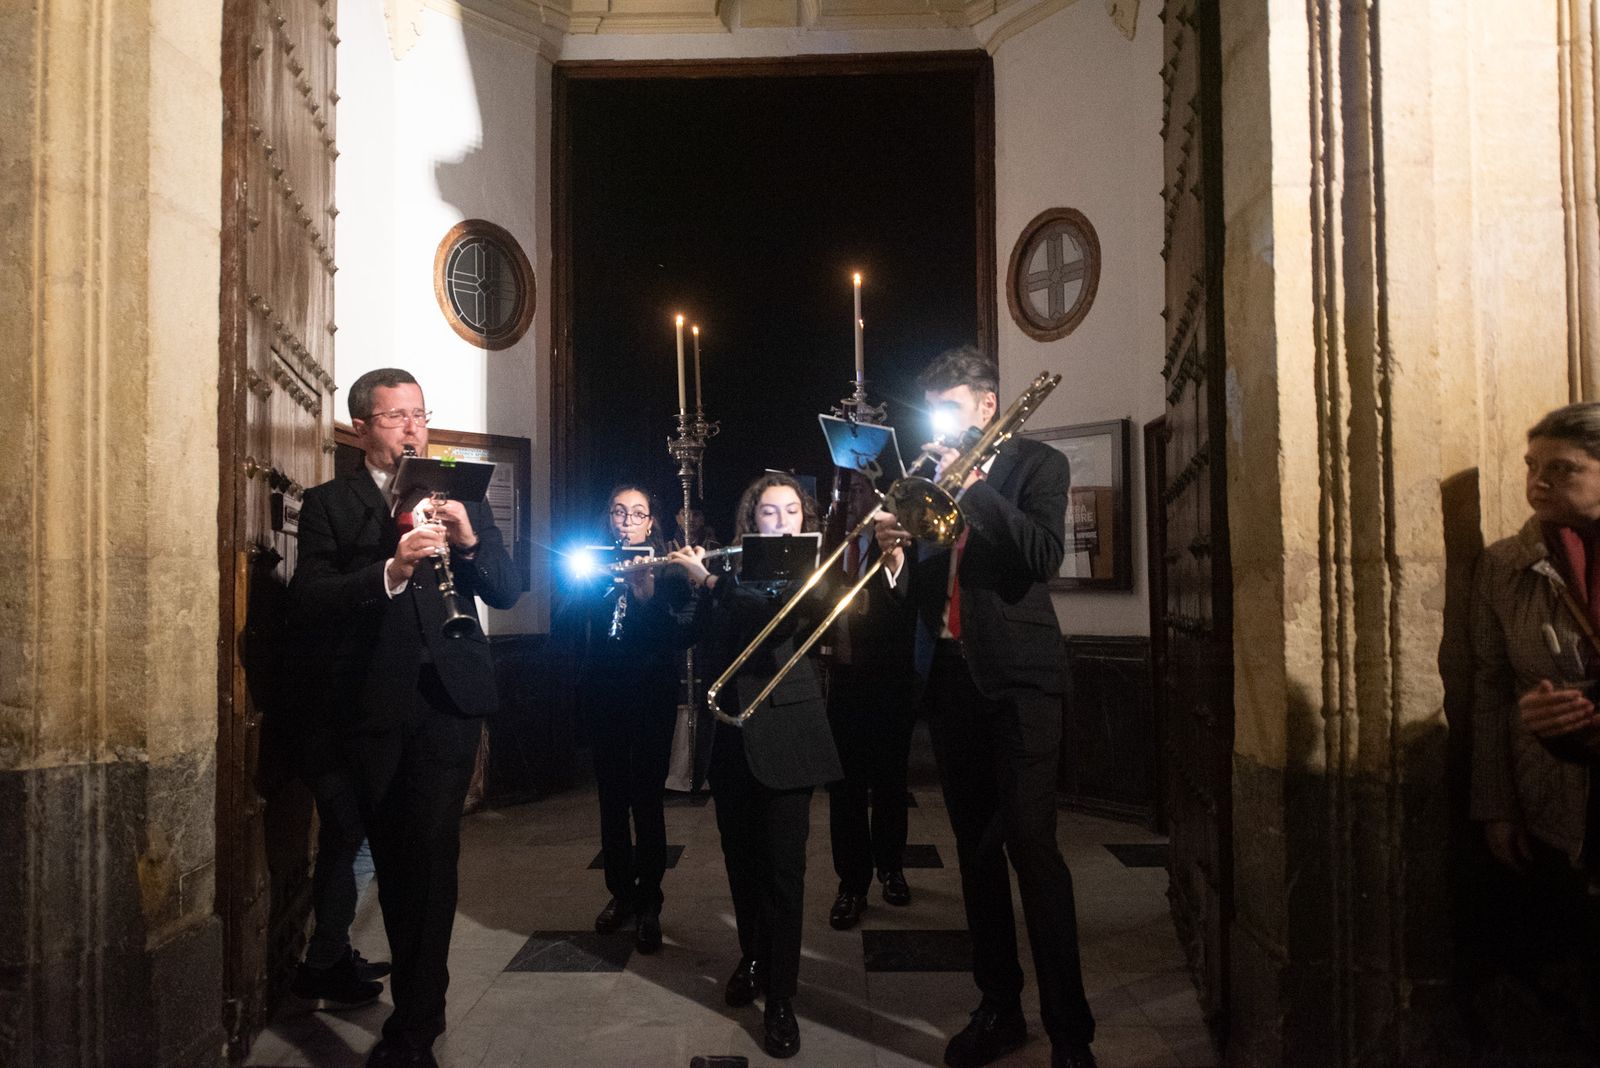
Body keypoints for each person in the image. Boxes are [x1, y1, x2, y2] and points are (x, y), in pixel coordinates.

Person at [292, 367, 520, 1067]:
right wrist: (389, 570)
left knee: (432, 859)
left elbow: (510, 591)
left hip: (448, 702)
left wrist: (471, 540)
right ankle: (422, 1008)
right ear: (362, 427)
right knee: (395, 860)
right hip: (373, 706)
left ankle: (418, 1022)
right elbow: (311, 599)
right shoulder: (332, 504)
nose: (413, 428)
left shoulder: (459, 501)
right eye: (396, 417)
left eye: (420, 415)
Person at [874, 347, 1095, 1068]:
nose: (939, 418)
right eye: (933, 406)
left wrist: (971, 485)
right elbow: (925, 594)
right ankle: (999, 1006)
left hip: (1024, 682)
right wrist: (899, 556)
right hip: (952, 679)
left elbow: (1040, 557)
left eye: (951, 404)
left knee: (1032, 847)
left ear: (987, 407)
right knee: (974, 855)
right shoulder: (929, 479)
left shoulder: (1038, 465)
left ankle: (1070, 1033)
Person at [668, 472, 843, 1060]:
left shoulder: (814, 571)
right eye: (770, 513)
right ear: (752, 521)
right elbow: (691, 636)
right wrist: (673, 590)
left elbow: (773, 620)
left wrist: (709, 579)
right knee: (742, 865)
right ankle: (753, 957)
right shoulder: (732, 571)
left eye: (792, 511)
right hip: (730, 735)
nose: (783, 522)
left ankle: (784, 999)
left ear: (806, 518)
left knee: (784, 876)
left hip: (789, 734)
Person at [1472, 402, 1600, 1037]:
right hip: (1552, 791)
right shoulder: (1503, 565)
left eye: (1562, 468)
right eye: (1531, 467)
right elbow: (1491, 690)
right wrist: (1497, 804)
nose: (1538, 482)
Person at [578, 483, 692, 952]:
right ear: (610, 519)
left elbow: (681, 633)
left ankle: (650, 902)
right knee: (610, 800)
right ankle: (620, 895)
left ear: (651, 522)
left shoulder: (669, 570)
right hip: (605, 694)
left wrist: (645, 594)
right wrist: (594, 585)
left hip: (651, 696)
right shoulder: (596, 565)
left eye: (637, 513)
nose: (627, 520)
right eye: (619, 512)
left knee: (646, 800)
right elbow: (569, 625)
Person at [824, 470, 919, 930]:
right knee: (844, 789)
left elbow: (907, 603)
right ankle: (852, 882)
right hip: (840, 679)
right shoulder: (832, 543)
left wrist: (894, 559)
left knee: (889, 783)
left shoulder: (901, 537)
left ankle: (892, 866)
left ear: (881, 494)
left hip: (888, 681)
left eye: (859, 488)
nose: (850, 497)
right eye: (845, 489)